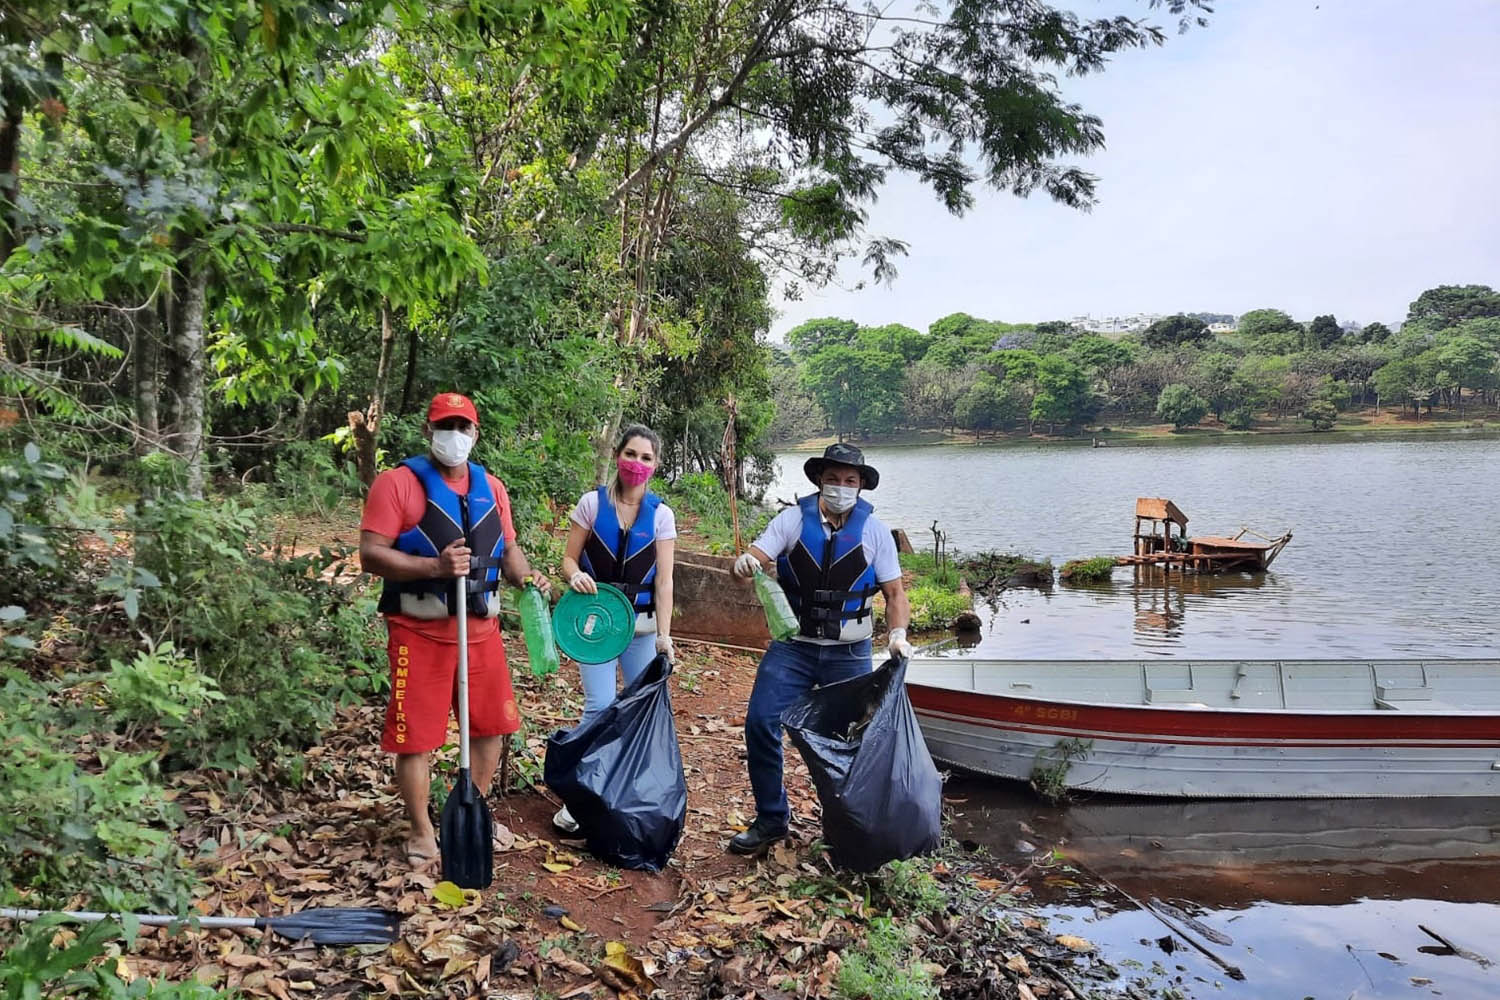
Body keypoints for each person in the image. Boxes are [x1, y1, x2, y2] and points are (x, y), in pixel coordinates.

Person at [358, 392, 551, 868]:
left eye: (464, 427)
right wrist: (434, 565)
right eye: (446, 426)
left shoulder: (493, 488)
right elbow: (370, 554)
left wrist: (527, 576)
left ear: (476, 434)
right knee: (416, 738)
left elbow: (508, 550)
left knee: (491, 729)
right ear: (429, 431)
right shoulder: (397, 484)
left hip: (480, 631)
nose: (455, 436)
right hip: (419, 631)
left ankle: (473, 811)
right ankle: (422, 830)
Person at [727, 442, 913, 854]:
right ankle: (772, 819)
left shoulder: (875, 532)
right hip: (794, 649)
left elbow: (896, 594)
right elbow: (752, 562)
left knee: (848, 741)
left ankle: (845, 829)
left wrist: (897, 634)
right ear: (819, 480)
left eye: (850, 481)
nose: (841, 487)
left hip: (850, 654)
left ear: (861, 487)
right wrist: (743, 566)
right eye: (833, 479)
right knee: (760, 722)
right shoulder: (793, 520)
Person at [552, 423, 677, 833]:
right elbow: (568, 560)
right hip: (597, 624)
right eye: (630, 454)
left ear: (655, 465)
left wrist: (664, 633)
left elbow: (664, 580)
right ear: (618, 457)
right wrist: (573, 577)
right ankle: (580, 795)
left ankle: (622, 791)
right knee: (600, 704)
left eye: (645, 457)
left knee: (635, 709)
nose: (636, 464)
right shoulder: (591, 504)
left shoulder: (661, 516)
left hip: (640, 628)